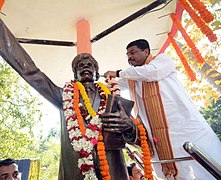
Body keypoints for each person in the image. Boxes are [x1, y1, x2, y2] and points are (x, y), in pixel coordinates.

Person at [0, 19, 136, 180]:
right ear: (75, 75)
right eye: (80, 66)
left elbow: (140, 139)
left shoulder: (113, 99)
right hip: (75, 172)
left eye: (90, 65)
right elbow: (32, 73)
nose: (85, 66)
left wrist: (129, 127)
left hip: (113, 171)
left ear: (96, 72)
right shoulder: (64, 97)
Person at [104, 39, 221, 179]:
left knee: (202, 169)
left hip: (186, 130)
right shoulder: (133, 77)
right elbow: (113, 85)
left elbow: (151, 73)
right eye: (127, 55)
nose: (129, 57)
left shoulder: (162, 61)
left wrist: (117, 72)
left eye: (132, 52)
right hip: (160, 140)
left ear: (146, 51)